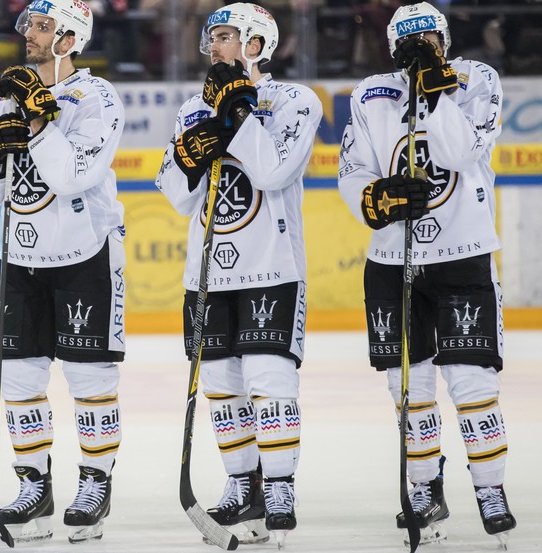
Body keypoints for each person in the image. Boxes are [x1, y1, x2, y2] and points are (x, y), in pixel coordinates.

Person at [337, 1, 516, 548]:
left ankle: (489, 488)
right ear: (394, 48)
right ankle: (424, 485)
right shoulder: (370, 93)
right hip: (393, 259)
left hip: (463, 252)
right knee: (408, 387)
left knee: (471, 381)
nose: (421, 49)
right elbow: (354, 167)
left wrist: (434, 89)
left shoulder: (476, 79)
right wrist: (375, 196)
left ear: (443, 40)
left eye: (429, 39)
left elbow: (463, 151)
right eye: (410, 43)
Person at [155, 3, 322, 548]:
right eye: (212, 38)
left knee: (270, 383)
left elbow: (275, 171)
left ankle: (278, 486)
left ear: (256, 44)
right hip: (206, 275)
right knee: (224, 390)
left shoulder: (296, 101)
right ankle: (240, 481)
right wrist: (195, 148)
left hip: (271, 267)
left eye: (225, 37)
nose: (214, 47)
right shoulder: (190, 108)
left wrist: (241, 117)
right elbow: (177, 198)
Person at [0, 0, 126, 543]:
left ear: (69, 38)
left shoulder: (97, 96)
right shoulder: (2, 98)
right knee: (19, 378)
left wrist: (37, 121)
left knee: (90, 379)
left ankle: (94, 485)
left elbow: (74, 175)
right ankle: (34, 485)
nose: (27, 35)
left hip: (86, 253)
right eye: (28, 25)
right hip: (21, 257)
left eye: (40, 26)